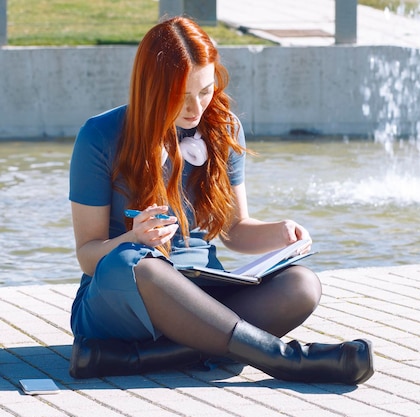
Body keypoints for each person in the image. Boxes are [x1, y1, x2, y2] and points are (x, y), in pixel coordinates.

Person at [67, 16, 373, 385]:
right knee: (138, 265)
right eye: (180, 96)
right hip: (123, 298)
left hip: (206, 293)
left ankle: (139, 358)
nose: (195, 107)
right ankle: (288, 360)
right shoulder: (99, 135)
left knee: (302, 286)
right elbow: (88, 254)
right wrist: (132, 240)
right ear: (150, 88)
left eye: (205, 90)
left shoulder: (222, 128)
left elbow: (234, 231)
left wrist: (280, 233)